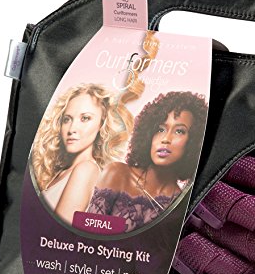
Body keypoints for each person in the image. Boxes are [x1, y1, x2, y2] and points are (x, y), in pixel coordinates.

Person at [87, 91, 208, 233]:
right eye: (160, 129)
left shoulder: (181, 204)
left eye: (179, 131)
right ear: (149, 134)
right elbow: (88, 233)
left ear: (194, 142)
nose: (166, 139)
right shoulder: (118, 174)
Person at [31, 83, 138, 224]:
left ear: (101, 124)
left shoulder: (86, 169)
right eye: (67, 119)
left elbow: (57, 231)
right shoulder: (63, 172)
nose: (72, 129)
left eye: (85, 118)